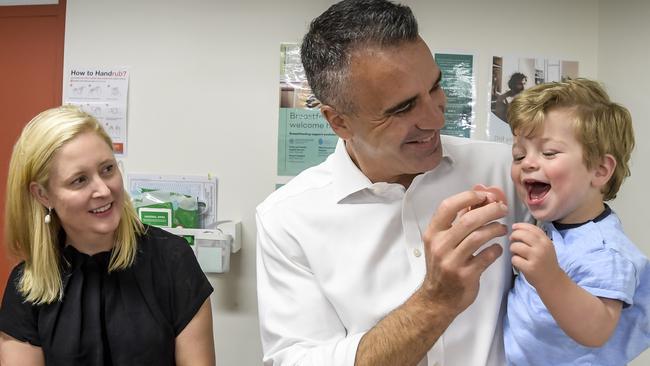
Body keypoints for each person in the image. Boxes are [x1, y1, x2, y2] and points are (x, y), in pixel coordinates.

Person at [256, 1, 530, 365]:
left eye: (435, 87)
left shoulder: (508, 171)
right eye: (402, 108)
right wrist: (435, 301)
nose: (434, 119)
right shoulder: (287, 219)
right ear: (339, 122)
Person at [0, 106, 216, 366]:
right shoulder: (27, 286)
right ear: (43, 195)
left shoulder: (172, 261)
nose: (103, 190)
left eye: (107, 169)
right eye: (79, 180)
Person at [505, 78, 650, 365]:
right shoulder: (552, 222)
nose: (528, 163)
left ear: (599, 170)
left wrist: (549, 277)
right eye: (519, 155)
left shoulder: (605, 251)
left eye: (548, 153)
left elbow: (597, 330)